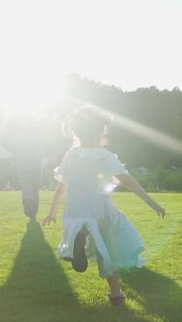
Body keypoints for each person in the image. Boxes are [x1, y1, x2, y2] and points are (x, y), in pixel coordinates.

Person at [42, 106, 165, 306]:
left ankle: (78, 239)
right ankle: (116, 294)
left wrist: (52, 212)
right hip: (101, 208)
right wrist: (153, 203)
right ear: (101, 131)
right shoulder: (105, 155)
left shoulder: (71, 155)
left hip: (77, 208)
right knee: (107, 250)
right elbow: (128, 181)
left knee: (81, 229)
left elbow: (61, 188)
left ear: (76, 131)